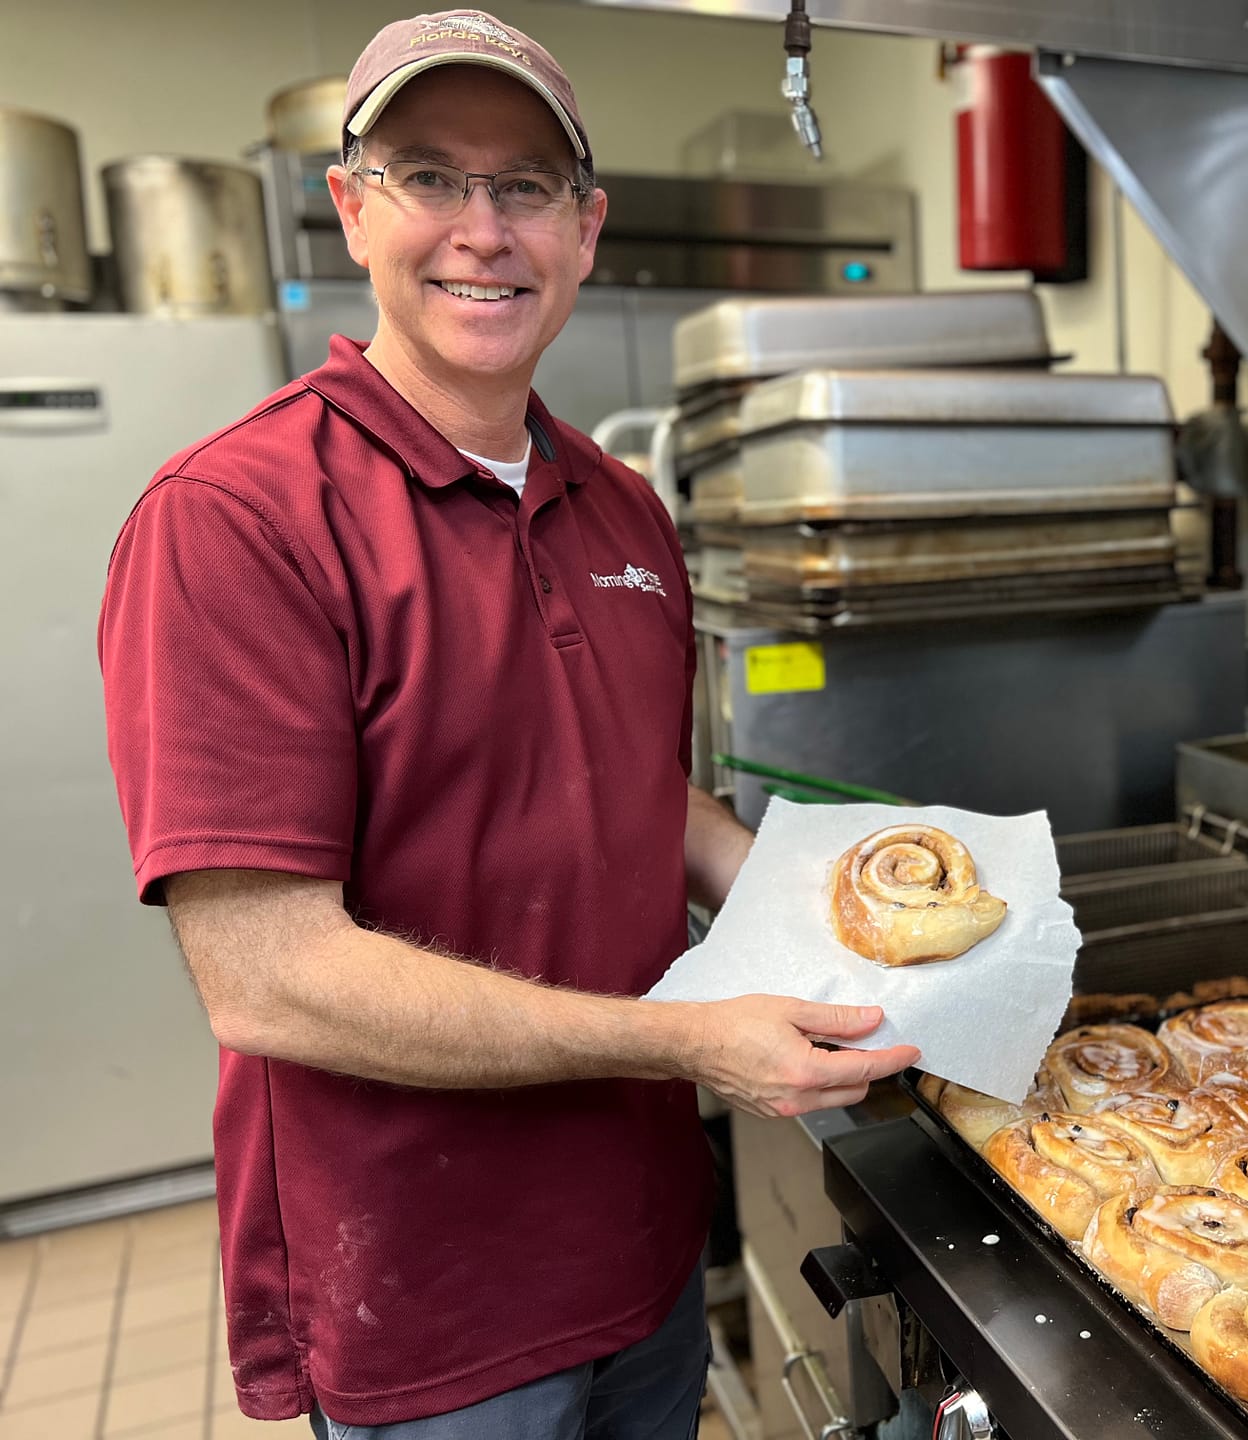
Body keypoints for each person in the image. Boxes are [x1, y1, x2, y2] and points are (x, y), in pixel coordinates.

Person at [98, 11, 919, 1437]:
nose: (483, 230)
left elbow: (630, 798)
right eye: (431, 175)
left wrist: (851, 904)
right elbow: (270, 976)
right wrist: (685, 1041)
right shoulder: (237, 521)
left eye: (526, 186)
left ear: (586, 231)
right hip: (430, 1299)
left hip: (642, 1249)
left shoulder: (623, 510)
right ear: (351, 208)